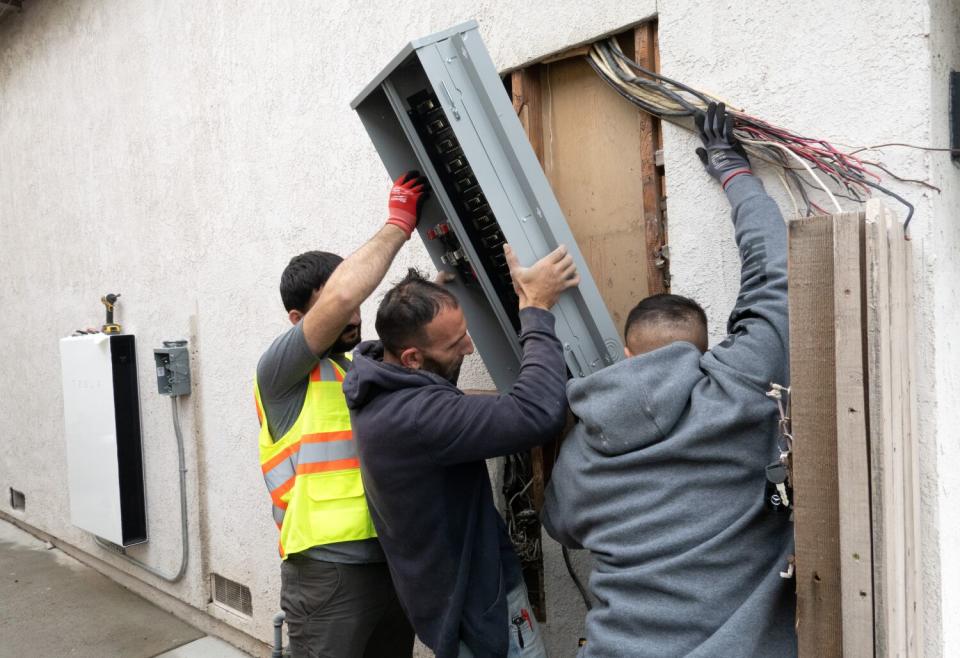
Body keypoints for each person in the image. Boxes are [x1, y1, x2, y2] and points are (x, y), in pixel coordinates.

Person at [542, 102, 796, 657]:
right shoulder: (742, 389)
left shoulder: (584, 448)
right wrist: (732, 169)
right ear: (703, 352)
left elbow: (562, 526)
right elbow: (776, 273)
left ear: (627, 354)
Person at [342, 245, 580, 658]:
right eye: (455, 343)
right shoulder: (419, 417)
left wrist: (432, 298)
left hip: (441, 599)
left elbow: (439, 395)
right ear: (413, 358)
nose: (469, 347)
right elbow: (536, 414)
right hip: (479, 611)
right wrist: (536, 307)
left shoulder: (376, 380)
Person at [253, 171, 428, 658]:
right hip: (326, 576)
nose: (354, 316)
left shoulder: (358, 368)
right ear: (298, 320)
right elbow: (343, 296)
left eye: (356, 306)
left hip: (388, 561)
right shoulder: (280, 373)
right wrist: (398, 224)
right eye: (336, 308)